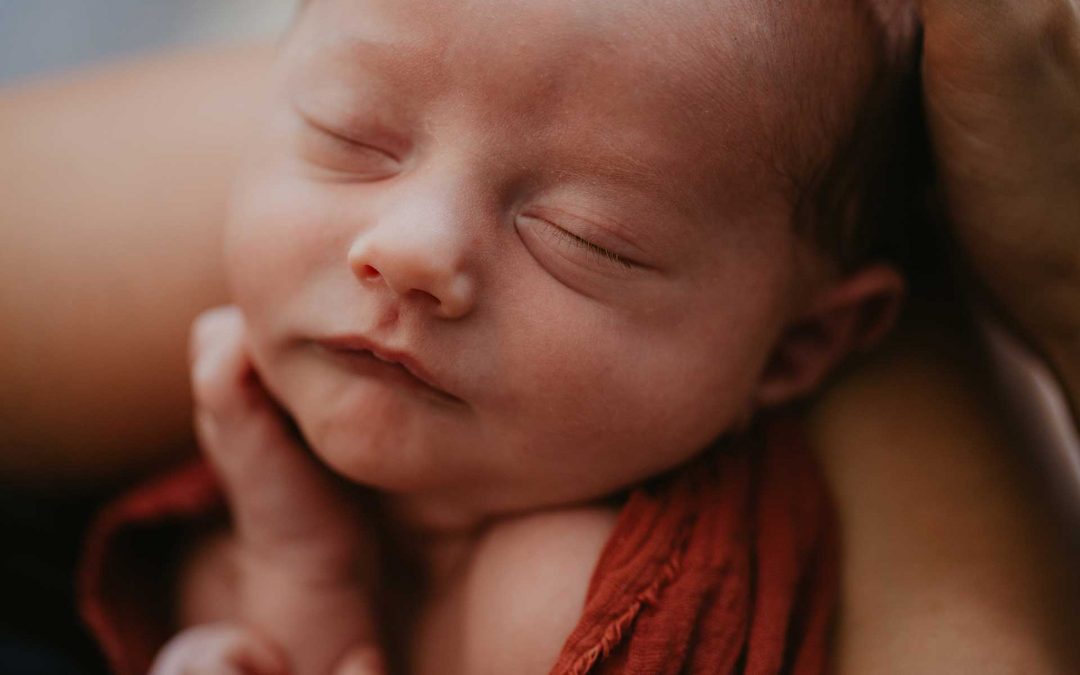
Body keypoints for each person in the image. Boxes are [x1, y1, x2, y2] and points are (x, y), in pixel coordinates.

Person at [0, 0, 1076, 674]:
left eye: (585, 241)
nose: (411, 247)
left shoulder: (574, 605)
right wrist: (301, 581)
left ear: (795, 353)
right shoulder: (263, 451)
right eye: (351, 136)